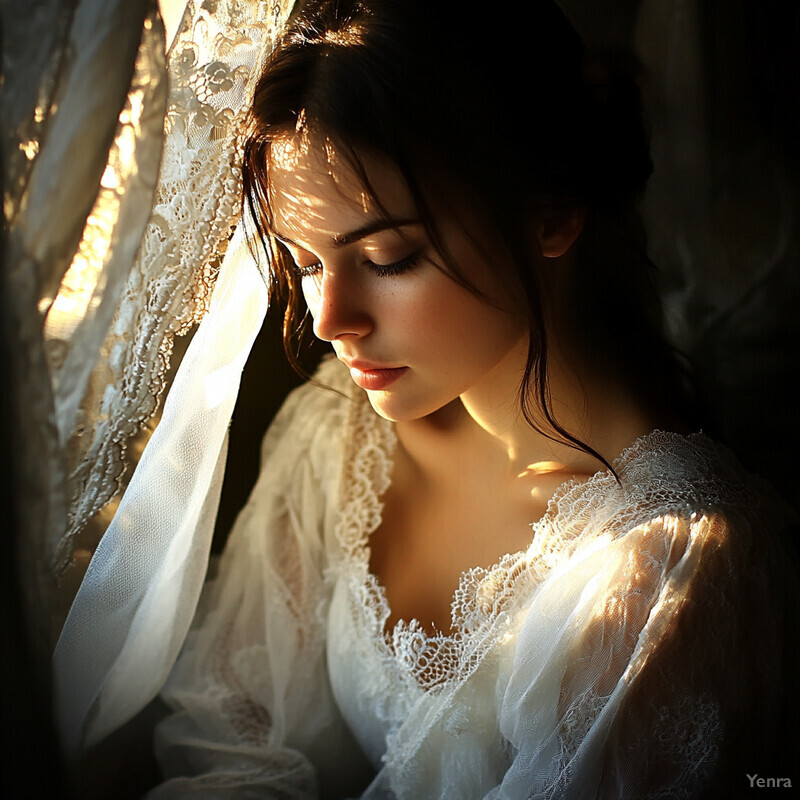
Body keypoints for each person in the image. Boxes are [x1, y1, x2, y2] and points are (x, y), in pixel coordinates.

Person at [144, 1, 798, 797]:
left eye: (389, 257)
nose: (329, 320)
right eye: (306, 262)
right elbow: (227, 724)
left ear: (549, 214)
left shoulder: (663, 575)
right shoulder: (341, 433)